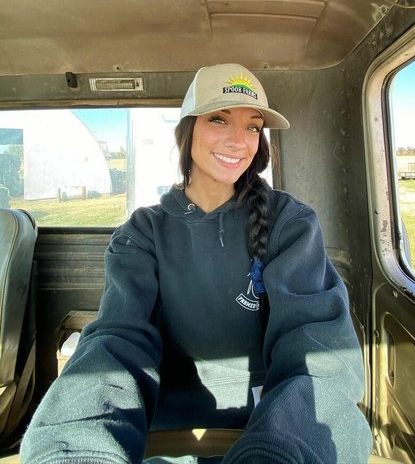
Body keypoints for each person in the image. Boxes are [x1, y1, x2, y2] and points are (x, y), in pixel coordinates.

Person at [20, 64, 372, 464]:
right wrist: (75, 448)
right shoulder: (142, 233)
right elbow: (116, 342)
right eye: (219, 119)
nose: (238, 140)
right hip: (158, 434)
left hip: (270, 430)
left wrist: (280, 451)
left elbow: (318, 352)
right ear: (186, 131)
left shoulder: (290, 224)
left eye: (253, 127)